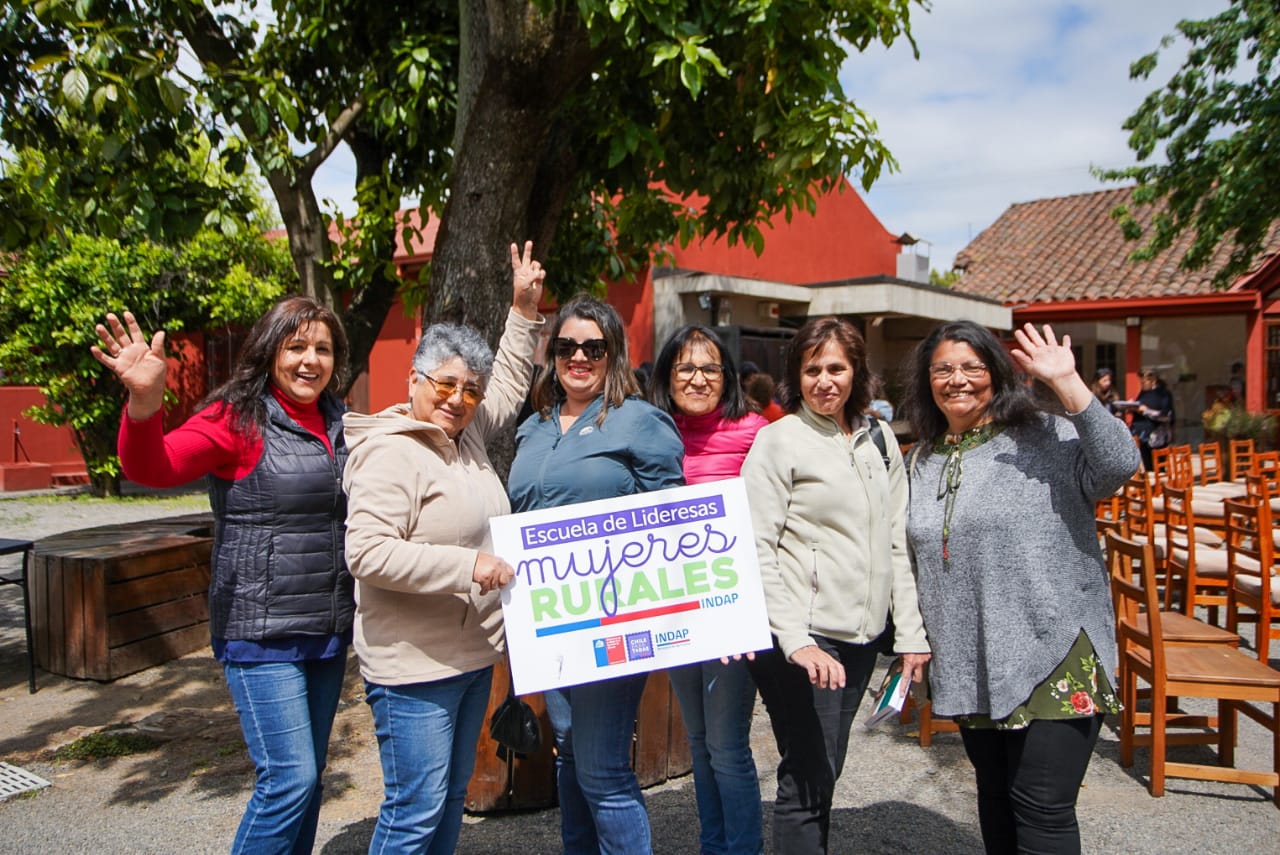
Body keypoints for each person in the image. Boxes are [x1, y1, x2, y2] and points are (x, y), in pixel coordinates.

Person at [91, 297, 353, 854]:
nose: (311, 360)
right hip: (260, 632)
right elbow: (152, 467)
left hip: (327, 630)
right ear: (269, 349)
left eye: (323, 349)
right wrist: (145, 401)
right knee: (289, 780)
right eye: (297, 346)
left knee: (310, 782)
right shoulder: (238, 417)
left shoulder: (340, 420)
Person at [900, 321, 1140, 855]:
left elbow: (1121, 463)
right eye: (942, 369)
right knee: (995, 797)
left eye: (971, 367)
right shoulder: (921, 460)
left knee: (1041, 807)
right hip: (973, 658)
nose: (956, 380)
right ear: (926, 381)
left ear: (997, 374)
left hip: (1056, 649)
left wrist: (1068, 383)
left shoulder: (1046, 436)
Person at [342, 242, 545, 854]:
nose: (458, 398)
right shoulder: (389, 450)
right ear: (414, 381)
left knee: (447, 806)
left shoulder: (466, 437)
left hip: (469, 659)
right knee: (413, 813)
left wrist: (523, 311)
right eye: (445, 384)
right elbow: (368, 553)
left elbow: (507, 384)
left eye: (468, 390)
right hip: (412, 668)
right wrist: (469, 566)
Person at [740, 316, 931, 855]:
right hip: (804, 640)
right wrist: (794, 638)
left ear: (857, 372)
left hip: (862, 637)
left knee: (825, 771)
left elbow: (899, 540)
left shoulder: (879, 438)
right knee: (806, 777)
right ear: (795, 376)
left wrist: (910, 634)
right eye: (812, 369)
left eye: (836, 368)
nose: (824, 381)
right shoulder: (778, 442)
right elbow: (757, 548)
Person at [507, 295, 685, 854]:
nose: (578, 357)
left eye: (593, 347)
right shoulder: (532, 427)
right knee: (570, 751)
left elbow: (671, 519)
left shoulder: (641, 422)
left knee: (604, 768)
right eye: (565, 346)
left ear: (615, 353)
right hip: (548, 619)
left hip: (612, 618)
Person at [647, 324, 768, 855]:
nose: (698, 379)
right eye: (685, 368)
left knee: (726, 746)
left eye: (710, 368)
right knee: (697, 743)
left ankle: (740, 848)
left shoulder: (755, 431)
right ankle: (712, 843)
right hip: (674, 610)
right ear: (667, 374)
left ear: (728, 376)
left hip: (730, 614)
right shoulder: (652, 431)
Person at [1129, 368, 1174, 470]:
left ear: (1153, 381)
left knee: (1158, 468)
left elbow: (1166, 416)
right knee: (1147, 467)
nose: (1142, 385)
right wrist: (1132, 408)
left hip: (1157, 437)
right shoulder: (1143, 393)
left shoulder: (1163, 394)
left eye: (1144, 382)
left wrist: (1146, 411)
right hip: (1142, 435)